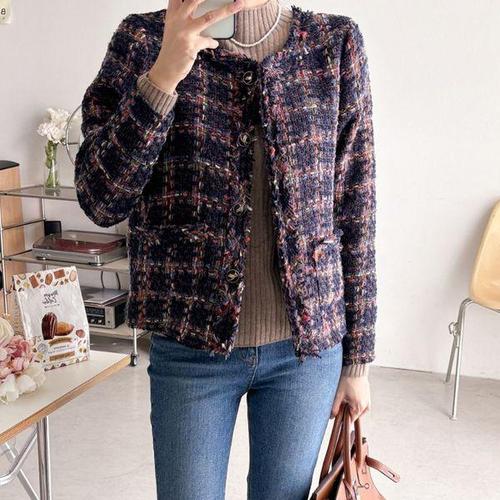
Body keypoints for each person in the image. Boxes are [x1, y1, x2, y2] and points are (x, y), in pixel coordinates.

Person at [74, 0, 376, 498]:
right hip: (189, 346)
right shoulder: (144, 39)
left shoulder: (333, 43)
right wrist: (163, 76)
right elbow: (101, 200)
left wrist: (357, 361)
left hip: (305, 352)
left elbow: (354, 206)